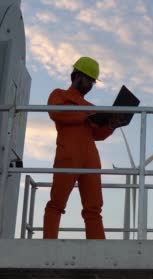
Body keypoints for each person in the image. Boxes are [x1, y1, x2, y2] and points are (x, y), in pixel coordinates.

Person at [43, 56, 114, 239]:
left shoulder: (92, 107)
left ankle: (98, 249)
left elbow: (98, 135)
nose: (90, 84)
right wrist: (85, 116)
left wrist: (112, 124)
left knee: (94, 207)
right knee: (57, 202)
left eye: (92, 81)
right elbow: (56, 113)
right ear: (76, 75)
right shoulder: (59, 95)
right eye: (88, 79)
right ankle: (48, 245)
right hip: (68, 155)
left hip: (91, 159)